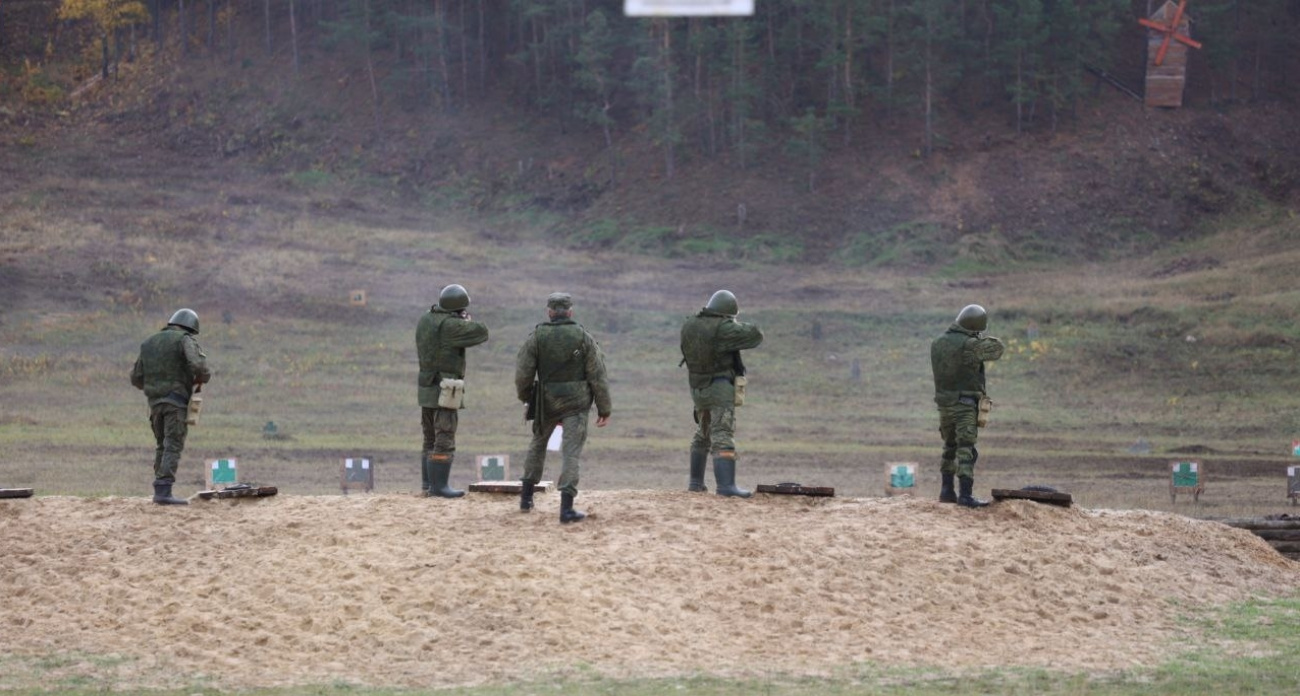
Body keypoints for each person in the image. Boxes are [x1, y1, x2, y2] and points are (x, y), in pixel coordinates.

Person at [515, 293, 612, 523]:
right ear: (570, 311)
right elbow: (598, 375)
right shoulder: (583, 337)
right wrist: (604, 408)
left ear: (549, 312)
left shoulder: (537, 337)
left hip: (545, 401)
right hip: (576, 403)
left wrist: (528, 398)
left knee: (537, 444)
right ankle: (566, 508)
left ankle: (526, 499)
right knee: (571, 452)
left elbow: (523, 373)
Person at [679, 290, 764, 497]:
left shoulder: (691, 324)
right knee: (723, 432)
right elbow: (755, 335)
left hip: (698, 387)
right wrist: (733, 323)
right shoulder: (722, 328)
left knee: (703, 432)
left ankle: (695, 482)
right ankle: (726, 487)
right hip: (719, 387)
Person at [130, 308, 212, 505]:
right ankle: (164, 491)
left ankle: (160, 487)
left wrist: (156, 386)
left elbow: (136, 378)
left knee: (162, 445)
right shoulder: (184, 339)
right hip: (175, 400)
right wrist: (201, 379)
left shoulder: (149, 343)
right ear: (190, 327)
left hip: (154, 403)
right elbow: (199, 366)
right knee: (173, 444)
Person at [416, 283, 490, 498]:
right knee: (444, 436)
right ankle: (440, 487)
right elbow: (481, 332)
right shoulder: (450, 326)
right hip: (445, 390)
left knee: (429, 438)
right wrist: (465, 321)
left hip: (426, 387)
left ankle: (427, 484)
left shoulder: (425, 319)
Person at [930, 304, 1005, 507]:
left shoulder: (937, 343)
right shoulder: (970, 345)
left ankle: (946, 491)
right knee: (966, 449)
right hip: (964, 405)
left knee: (949, 447)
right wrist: (977, 338)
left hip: (944, 405)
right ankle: (965, 495)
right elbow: (997, 349)